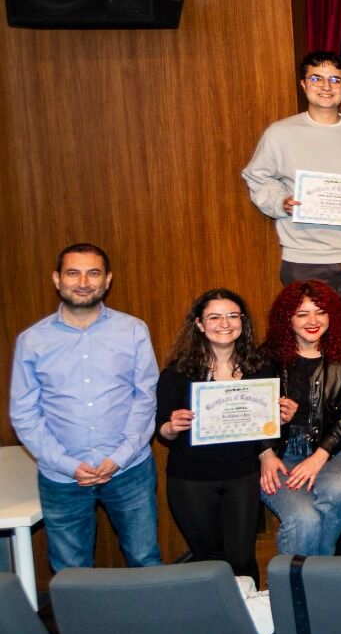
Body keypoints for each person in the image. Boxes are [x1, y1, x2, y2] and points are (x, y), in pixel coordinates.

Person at [9, 244, 161, 571]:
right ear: (57, 279)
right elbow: (24, 413)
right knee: (70, 572)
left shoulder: (133, 330)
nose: (83, 282)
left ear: (107, 280)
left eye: (93, 273)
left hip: (129, 470)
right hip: (62, 477)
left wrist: (120, 457)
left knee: (144, 560)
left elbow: (146, 398)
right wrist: (66, 464)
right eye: (73, 273)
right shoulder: (31, 341)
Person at [242, 51, 341, 323]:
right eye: (317, 78)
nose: (326, 87)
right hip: (304, 259)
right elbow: (257, 177)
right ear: (303, 85)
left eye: (335, 80)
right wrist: (281, 202)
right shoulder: (280, 133)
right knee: (309, 347)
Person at [156, 289, 275, 582]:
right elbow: (161, 430)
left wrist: (279, 418)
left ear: (243, 322)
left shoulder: (261, 368)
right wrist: (171, 426)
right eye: (214, 316)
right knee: (209, 560)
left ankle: (251, 624)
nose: (225, 323)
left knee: (242, 558)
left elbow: (268, 429)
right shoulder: (177, 373)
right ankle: (216, 623)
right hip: (191, 478)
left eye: (233, 316)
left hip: (242, 475)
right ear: (199, 324)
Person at [257, 280, 341, 558]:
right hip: (281, 453)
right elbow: (248, 414)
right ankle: (296, 589)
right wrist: (266, 452)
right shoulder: (265, 358)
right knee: (305, 520)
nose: (312, 321)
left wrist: (320, 456)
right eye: (302, 314)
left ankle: (320, 570)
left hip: (331, 450)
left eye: (320, 312)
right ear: (287, 320)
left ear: (332, 315)